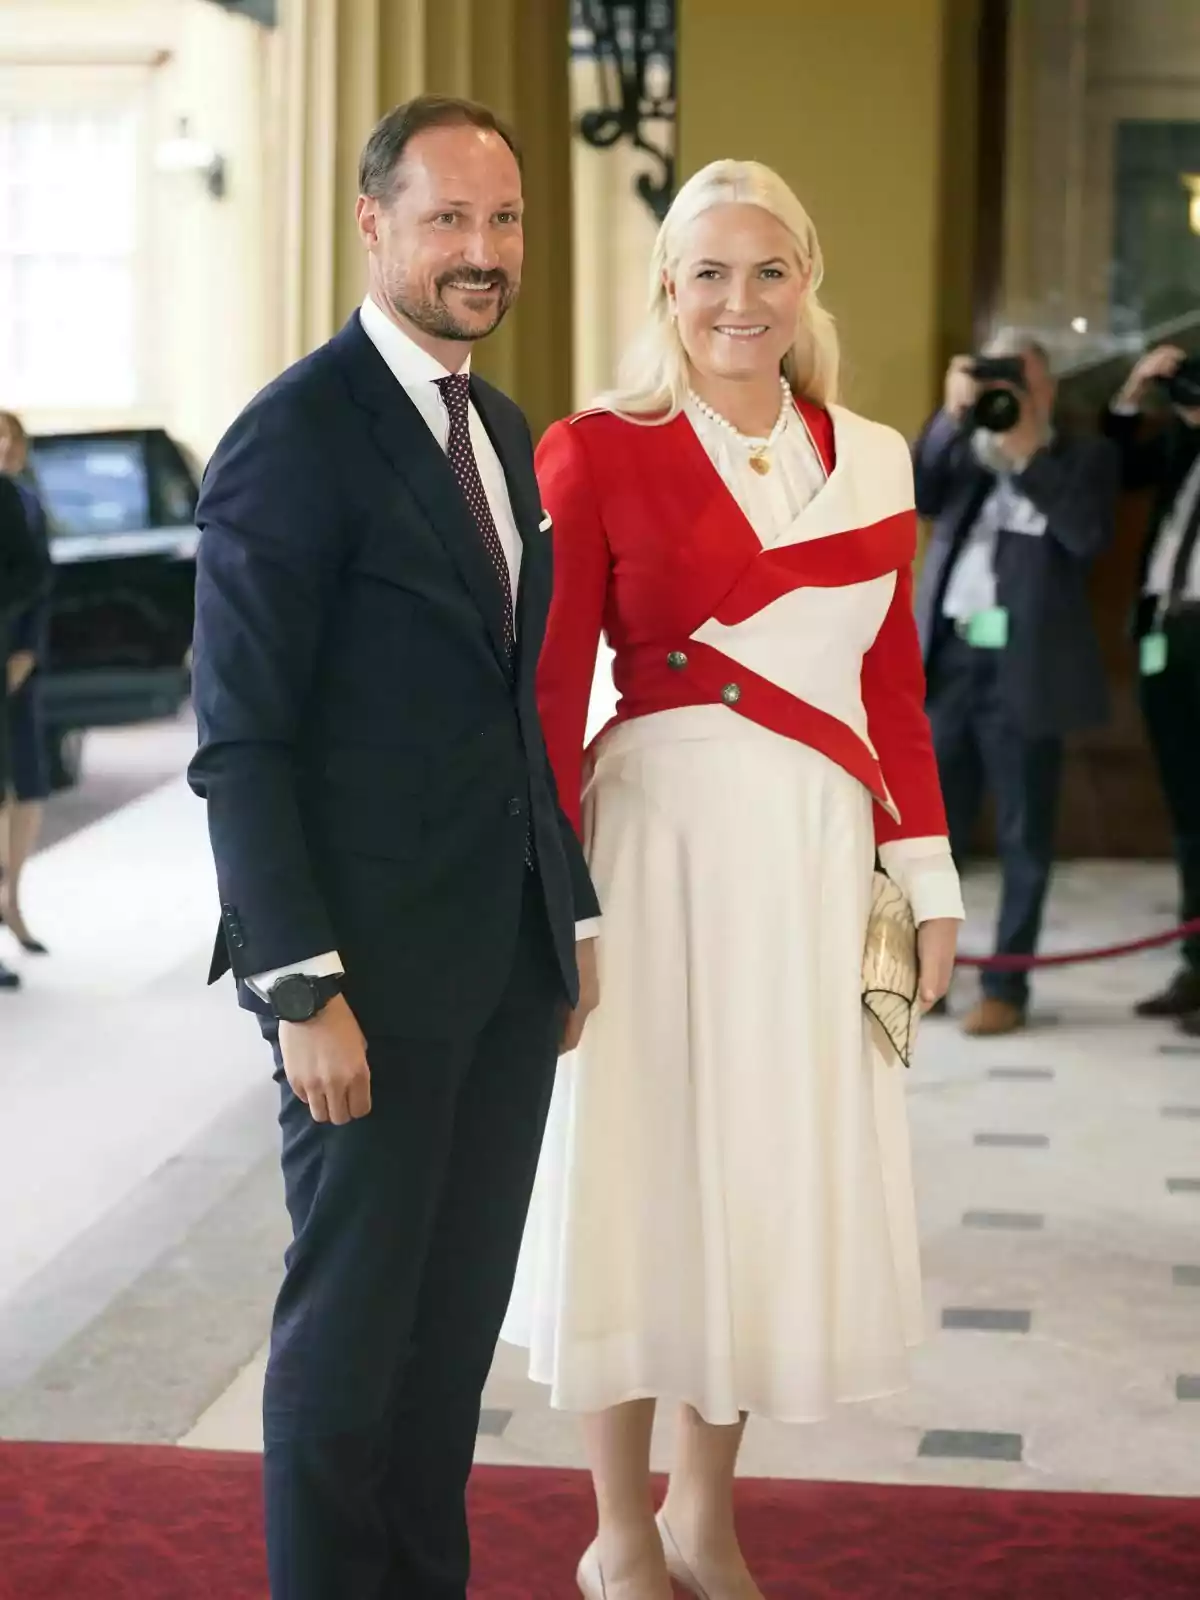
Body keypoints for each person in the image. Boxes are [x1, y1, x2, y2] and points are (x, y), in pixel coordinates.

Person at [500, 160, 963, 1600]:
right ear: (667, 289)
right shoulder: (594, 449)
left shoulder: (878, 455)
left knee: (760, 1177)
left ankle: (703, 1513)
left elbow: (894, 684)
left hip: (818, 862)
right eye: (708, 272)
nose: (738, 301)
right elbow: (547, 700)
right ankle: (616, 1530)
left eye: (767, 271)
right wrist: (559, 900)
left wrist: (928, 882)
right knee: (645, 1165)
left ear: (806, 282)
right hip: (656, 855)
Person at [187, 95, 601, 1600]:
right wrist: (302, 991)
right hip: (360, 982)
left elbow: (515, 712)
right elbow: (241, 741)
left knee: (445, 1357)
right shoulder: (294, 436)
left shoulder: (501, 428)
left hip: (500, 974)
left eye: (502, 222)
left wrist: (571, 923)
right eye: (448, 220)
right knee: (347, 1352)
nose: (481, 252)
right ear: (375, 226)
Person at [912, 335, 1118, 1036]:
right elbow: (916, 492)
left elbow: (1085, 534)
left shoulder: (1084, 456)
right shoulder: (964, 452)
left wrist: (1027, 450)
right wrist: (950, 414)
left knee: (1023, 833)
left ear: (1049, 388)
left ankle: (1007, 986)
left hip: (1027, 669)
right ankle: (922, 976)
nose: (1006, 390)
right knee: (928, 834)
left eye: (1018, 378)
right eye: (993, 375)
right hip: (949, 662)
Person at [1104, 345, 1200, 1035]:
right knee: (1190, 813)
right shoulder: (1179, 448)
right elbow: (1117, 467)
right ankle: (1195, 965)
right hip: (1168, 633)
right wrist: (1137, 391)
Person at [0, 411, 54, 957]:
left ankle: (12, 901)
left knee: (29, 783)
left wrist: (27, 652)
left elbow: (40, 582)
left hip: (19, 663)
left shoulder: (25, 500)